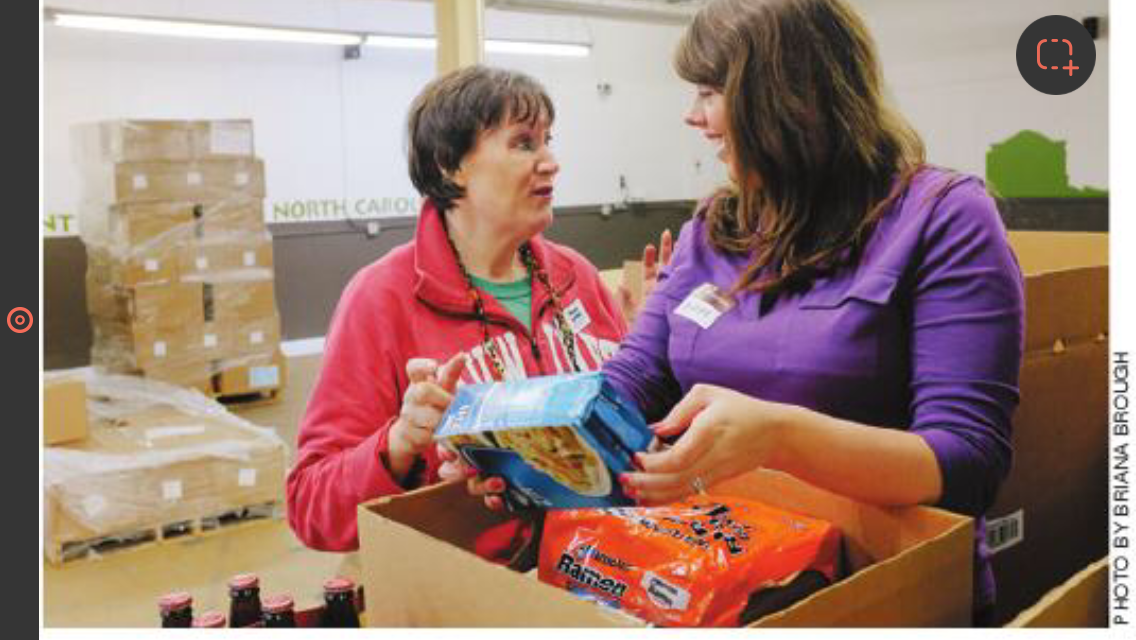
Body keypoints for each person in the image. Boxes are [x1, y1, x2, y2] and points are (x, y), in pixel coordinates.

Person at [461, 0, 1024, 624]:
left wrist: (778, 438)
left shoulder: (944, 218)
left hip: (881, 585)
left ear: (788, 93)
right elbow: (635, 377)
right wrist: (530, 441)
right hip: (727, 577)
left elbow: (968, 461)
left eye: (710, 90)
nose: (693, 115)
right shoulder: (717, 227)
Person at [285, 66, 635, 553]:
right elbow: (311, 507)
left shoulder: (576, 277)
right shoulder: (382, 298)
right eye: (523, 143)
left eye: (547, 141)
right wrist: (400, 442)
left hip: (614, 568)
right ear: (451, 165)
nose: (551, 162)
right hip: (479, 583)